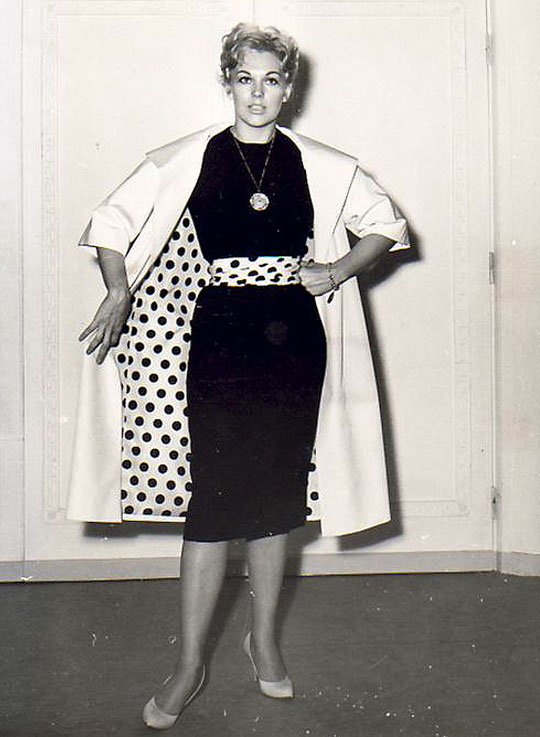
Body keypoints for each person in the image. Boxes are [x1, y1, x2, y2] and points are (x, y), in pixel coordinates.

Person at [68, 22, 409, 729]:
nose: (258, 93)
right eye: (245, 79)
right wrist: (118, 288)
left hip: (295, 339)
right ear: (228, 83)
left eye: (272, 80)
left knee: (279, 496)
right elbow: (109, 223)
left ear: (289, 88)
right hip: (222, 335)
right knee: (216, 500)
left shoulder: (320, 164)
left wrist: (336, 270)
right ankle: (190, 664)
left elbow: (387, 224)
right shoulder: (189, 157)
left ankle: (264, 642)